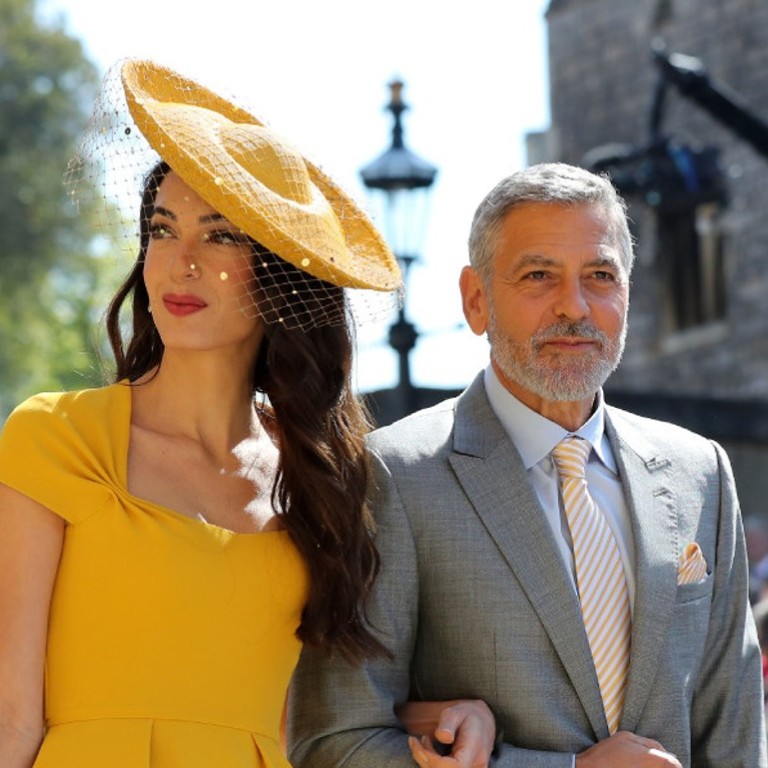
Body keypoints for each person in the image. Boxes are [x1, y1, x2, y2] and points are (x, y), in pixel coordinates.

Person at [0, 59, 489, 768]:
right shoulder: (57, 438)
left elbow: (312, 713)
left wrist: (447, 714)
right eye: (164, 230)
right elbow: (11, 719)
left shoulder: (319, 479)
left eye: (221, 235)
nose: (180, 262)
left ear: (281, 273)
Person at [288, 162, 768, 767]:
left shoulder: (701, 473)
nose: (575, 306)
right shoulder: (395, 477)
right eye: (538, 276)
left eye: (599, 275)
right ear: (476, 299)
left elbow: (736, 734)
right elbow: (333, 742)